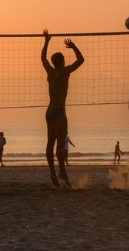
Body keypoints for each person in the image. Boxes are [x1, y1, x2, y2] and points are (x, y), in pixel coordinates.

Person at [41, 29, 84, 188]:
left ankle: (53, 172)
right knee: (59, 145)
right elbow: (81, 60)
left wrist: (46, 42)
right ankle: (62, 172)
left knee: (50, 143)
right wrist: (73, 46)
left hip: (49, 111)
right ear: (63, 61)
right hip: (59, 111)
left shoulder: (50, 72)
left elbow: (43, 58)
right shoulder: (64, 71)